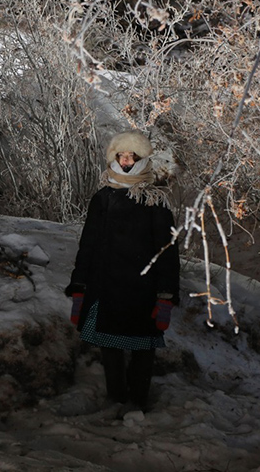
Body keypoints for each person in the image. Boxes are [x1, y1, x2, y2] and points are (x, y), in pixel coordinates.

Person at [66, 130, 180, 411]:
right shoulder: (103, 197)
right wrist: (79, 286)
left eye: (132, 156)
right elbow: (88, 245)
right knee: (109, 346)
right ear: (114, 157)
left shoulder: (155, 200)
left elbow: (168, 251)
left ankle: (139, 403)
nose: (126, 161)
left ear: (142, 159)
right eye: (121, 155)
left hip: (143, 290)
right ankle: (116, 400)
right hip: (106, 286)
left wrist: (166, 294)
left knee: (143, 348)